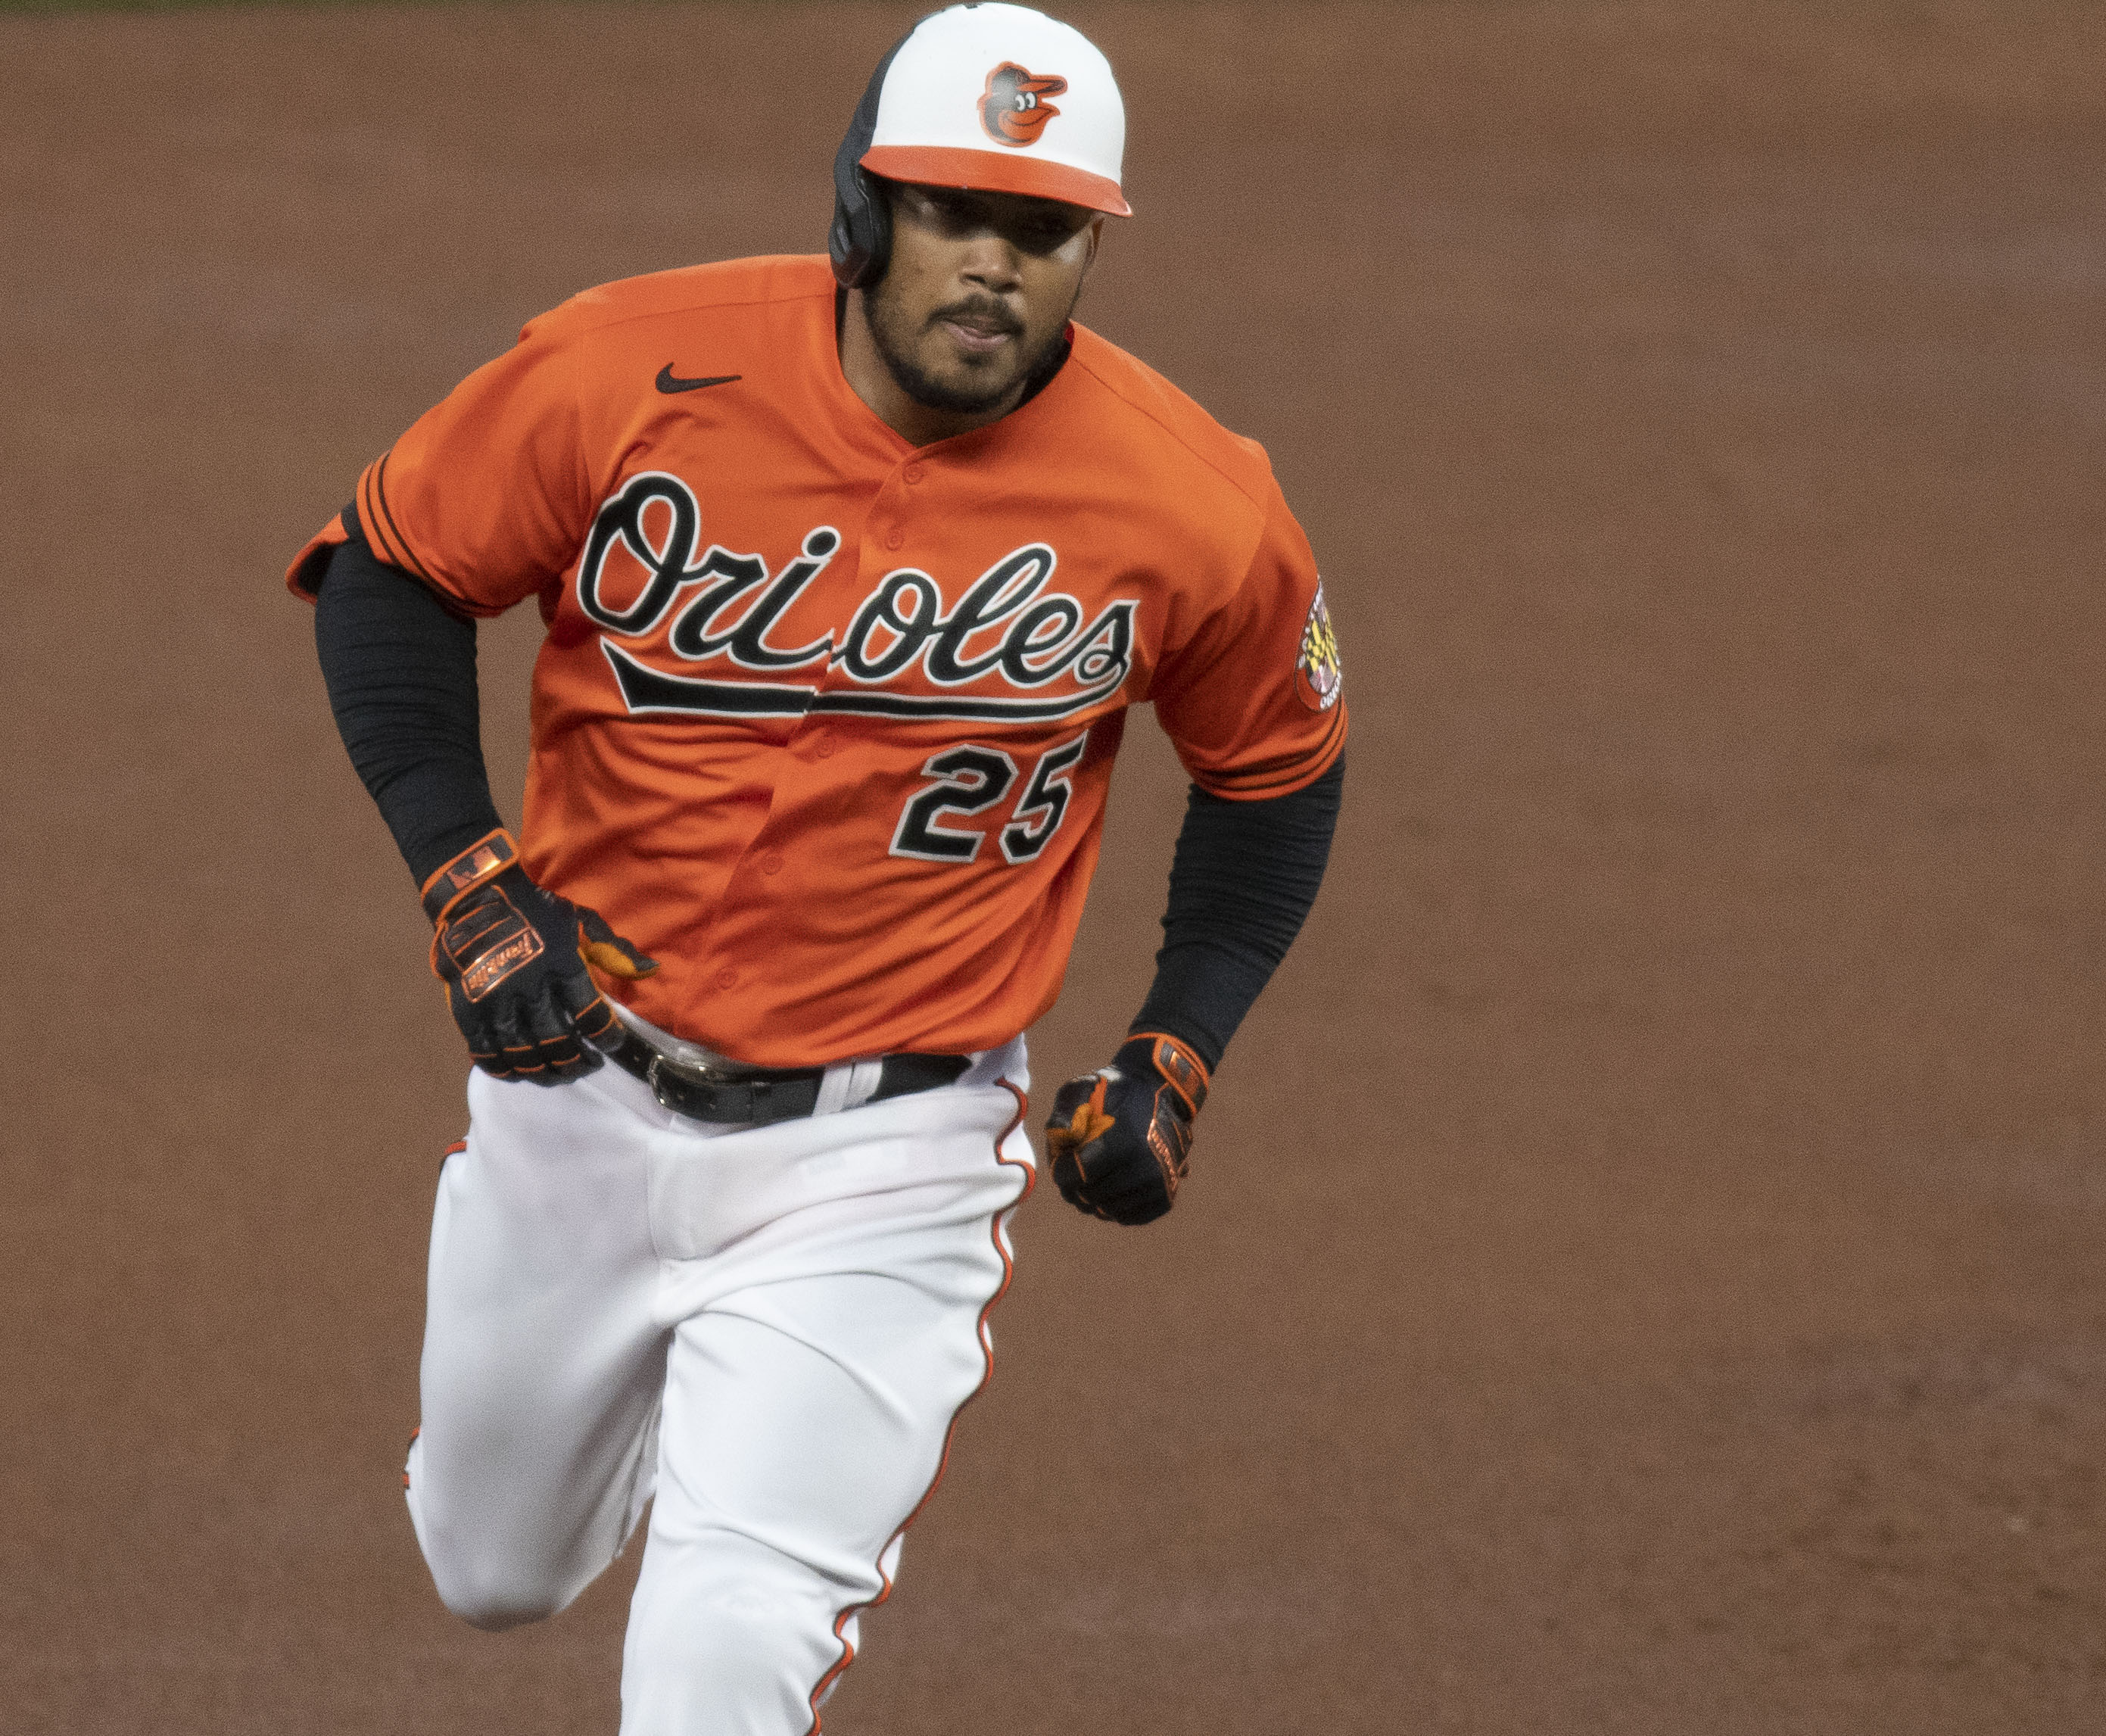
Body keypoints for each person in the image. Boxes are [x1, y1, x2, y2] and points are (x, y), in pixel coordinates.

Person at [282, 5, 1347, 1728]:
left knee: (727, 1634)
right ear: (858, 210)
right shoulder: (630, 366)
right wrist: (468, 879)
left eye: (1045, 232)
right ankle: (651, 1396)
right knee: (492, 1567)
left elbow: (1278, 768)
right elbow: (392, 566)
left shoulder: (1193, 502)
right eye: (951, 213)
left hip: (892, 1155)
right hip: (578, 1090)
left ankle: (747, 1430)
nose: (996, 268)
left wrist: (1178, 1043)